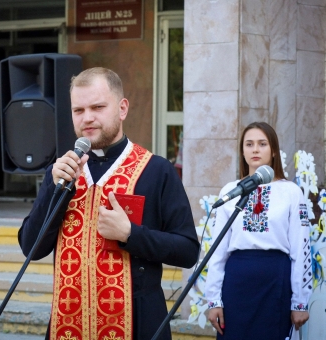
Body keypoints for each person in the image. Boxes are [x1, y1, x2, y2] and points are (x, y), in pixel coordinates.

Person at [18, 67, 200, 340]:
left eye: (98, 107)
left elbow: (188, 251)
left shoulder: (156, 170)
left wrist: (131, 234)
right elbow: (31, 248)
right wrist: (52, 191)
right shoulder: (62, 172)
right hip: (68, 326)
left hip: (138, 325)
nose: (87, 118)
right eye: (78, 110)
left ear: (122, 108)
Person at [205, 122, 312, 340]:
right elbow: (217, 251)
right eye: (249, 144)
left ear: (273, 150)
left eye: (262, 144)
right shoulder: (230, 191)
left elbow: (301, 249)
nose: (255, 149)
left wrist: (300, 301)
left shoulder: (291, 192)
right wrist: (213, 300)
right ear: (242, 151)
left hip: (275, 280)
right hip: (236, 281)